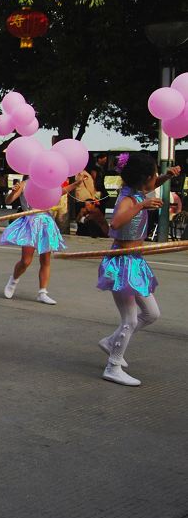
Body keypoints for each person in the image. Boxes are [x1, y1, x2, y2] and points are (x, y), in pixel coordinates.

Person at [96, 153, 180, 386]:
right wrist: (142, 205)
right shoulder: (128, 199)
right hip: (121, 262)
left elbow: (149, 186)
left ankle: (111, 342)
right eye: (154, 175)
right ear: (144, 178)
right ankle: (113, 365)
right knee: (130, 319)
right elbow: (115, 222)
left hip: (135, 261)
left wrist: (166, 176)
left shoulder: (136, 192)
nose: (155, 180)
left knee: (152, 314)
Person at [0, 177, 80, 305]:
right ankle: (13, 280)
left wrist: (76, 184)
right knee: (26, 260)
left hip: (46, 223)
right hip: (30, 222)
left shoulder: (47, 183)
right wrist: (13, 192)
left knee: (45, 260)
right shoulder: (24, 184)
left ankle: (42, 292)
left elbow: (59, 192)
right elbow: (9, 201)